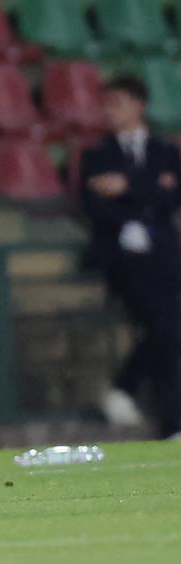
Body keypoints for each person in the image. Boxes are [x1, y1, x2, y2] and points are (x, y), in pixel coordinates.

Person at [80, 74, 181, 440]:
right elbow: (92, 204)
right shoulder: (97, 154)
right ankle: (170, 422)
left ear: (139, 104)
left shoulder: (165, 152)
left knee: (167, 330)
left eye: (118, 103)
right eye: (107, 104)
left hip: (165, 256)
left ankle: (126, 390)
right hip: (122, 260)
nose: (111, 111)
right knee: (165, 328)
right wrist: (148, 194)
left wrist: (127, 186)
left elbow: (173, 197)